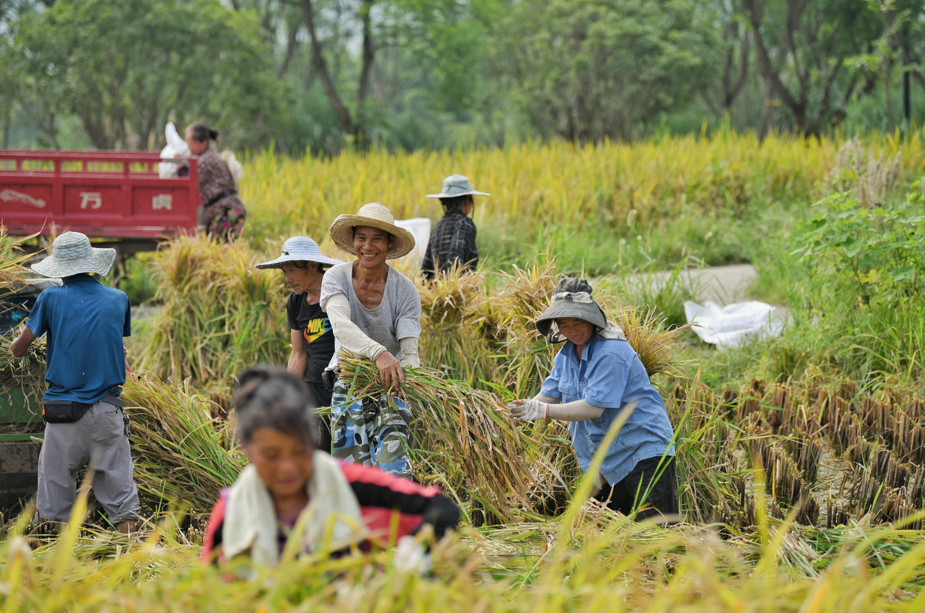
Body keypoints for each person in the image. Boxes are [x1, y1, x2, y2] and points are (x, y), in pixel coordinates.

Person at [200, 367, 459, 567]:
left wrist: (414, 553)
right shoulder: (232, 512)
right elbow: (207, 590)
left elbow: (441, 508)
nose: (288, 467)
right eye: (271, 455)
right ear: (246, 446)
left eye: (300, 451)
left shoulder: (346, 484)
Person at [507, 278, 678, 522]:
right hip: (607, 464)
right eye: (564, 325)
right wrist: (521, 410)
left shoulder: (611, 352)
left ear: (591, 319)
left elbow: (594, 407)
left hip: (643, 452)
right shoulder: (565, 356)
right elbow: (550, 394)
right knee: (606, 542)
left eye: (578, 322)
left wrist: (541, 411)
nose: (573, 330)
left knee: (653, 539)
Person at [9, 232, 140, 533]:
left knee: (55, 495)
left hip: (64, 415)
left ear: (60, 269)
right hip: (108, 412)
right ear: (91, 264)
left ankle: (57, 565)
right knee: (121, 491)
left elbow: (19, 348)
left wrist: (19, 347)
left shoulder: (50, 297)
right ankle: (134, 563)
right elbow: (116, 350)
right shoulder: (119, 299)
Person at [320, 203, 422, 479]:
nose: (368, 246)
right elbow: (342, 326)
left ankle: (398, 520)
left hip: (391, 386)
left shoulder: (405, 291)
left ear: (389, 243)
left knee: (394, 468)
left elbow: (410, 352)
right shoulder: (335, 278)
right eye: (361, 238)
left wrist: (411, 380)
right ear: (353, 242)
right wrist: (379, 354)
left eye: (377, 238)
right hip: (349, 380)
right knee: (352, 476)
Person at [255, 237, 343, 451]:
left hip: (344, 387)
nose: (287, 279)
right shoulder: (296, 303)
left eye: (292, 270)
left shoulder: (340, 292)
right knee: (313, 451)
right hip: (312, 389)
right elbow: (298, 353)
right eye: (284, 272)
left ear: (312, 266)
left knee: (341, 452)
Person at [185, 122, 247, 241]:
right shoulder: (208, 156)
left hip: (227, 212)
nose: (189, 147)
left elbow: (187, 178)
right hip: (228, 211)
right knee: (218, 250)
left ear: (204, 142)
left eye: (192, 143)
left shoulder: (206, 160)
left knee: (218, 250)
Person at [421, 174, 489, 280]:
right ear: (467, 201)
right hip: (457, 292)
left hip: (438, 294)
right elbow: (455, 258)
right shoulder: (464, 224)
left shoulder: (437, 227)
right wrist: (452, 288)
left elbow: (426, 268)